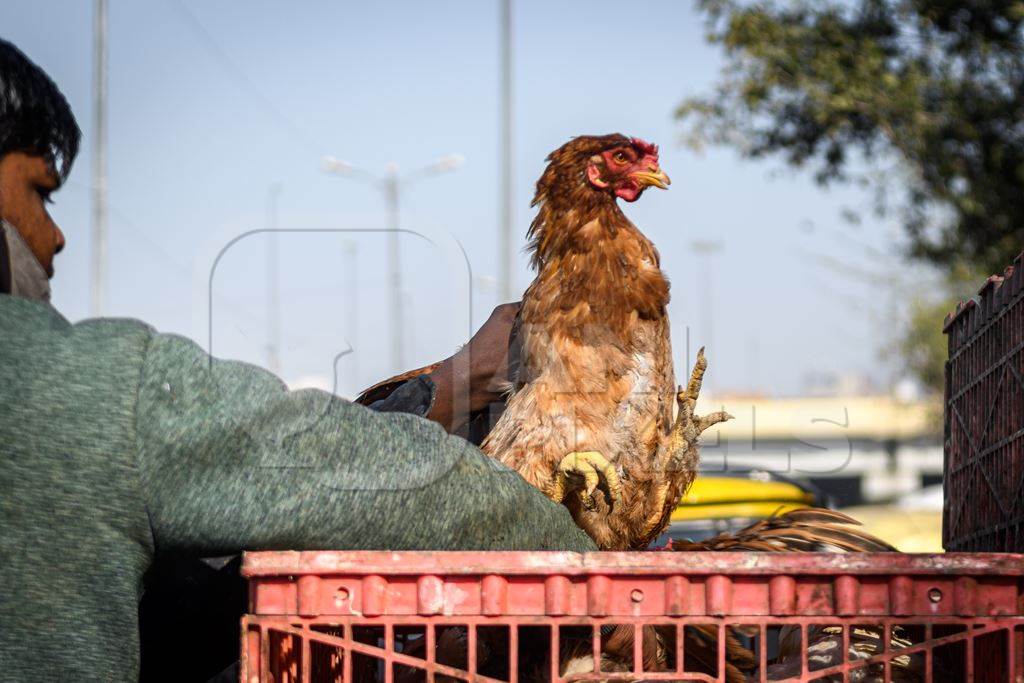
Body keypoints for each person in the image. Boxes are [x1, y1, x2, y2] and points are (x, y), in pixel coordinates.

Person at [0, 38, 595, 682]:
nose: (55, 235)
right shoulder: (88, 388)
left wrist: (445, 387)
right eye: (41, 193)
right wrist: (595, 567)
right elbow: (386, 479)